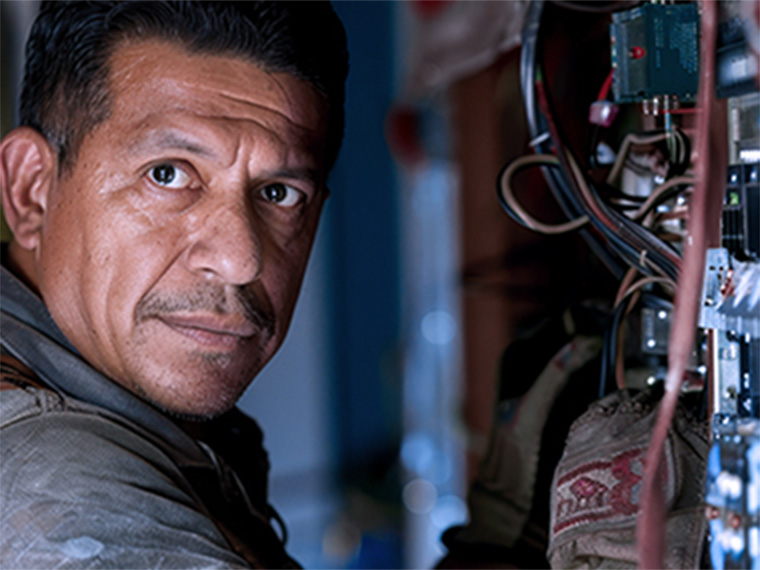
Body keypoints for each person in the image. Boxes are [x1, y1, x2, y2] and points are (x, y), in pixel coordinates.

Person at [0, 1, 348, 567]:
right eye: (168, 174)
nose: (240, 260)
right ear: (32, 190)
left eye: (280, 193)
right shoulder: (58, 486)